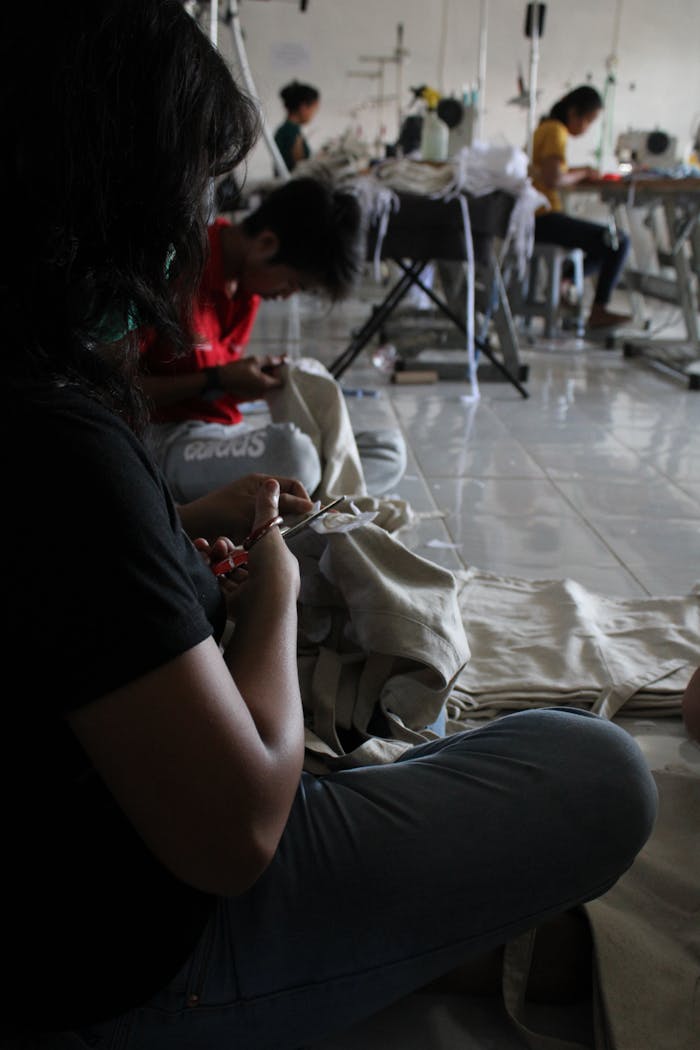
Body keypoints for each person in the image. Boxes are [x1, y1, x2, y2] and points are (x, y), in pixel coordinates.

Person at [1, 3, 658, 1049]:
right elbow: (241, 832)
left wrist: (172, 531)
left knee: (335, 462)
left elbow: (65, 593)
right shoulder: (59, 444)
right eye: (194, 190)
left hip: (95, 867)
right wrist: (275, 594)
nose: (194, 223)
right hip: (141, 956)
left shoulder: (32, 401)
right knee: (597, 771)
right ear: (112, 188)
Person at [138, 176, 407, 501]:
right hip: (165, 441)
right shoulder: (177, 270)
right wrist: (215, 379)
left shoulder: (246, 287)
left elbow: (215, 380)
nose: (286, 295)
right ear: (266, 244)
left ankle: (292, 496)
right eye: (292, 283)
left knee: (389, 450)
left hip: (223, 434)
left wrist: (250, 380)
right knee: (295, 457)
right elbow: (117, 390)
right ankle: (302, 496)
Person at [531, 85, 632, 330]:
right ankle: (598, 309)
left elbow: (552, 171)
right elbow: (554, 178)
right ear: (573, 112)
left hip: (537, 216)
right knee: (617, 242)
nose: (587, 128)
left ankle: (564, 278)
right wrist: (585, 173)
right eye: (588, 120)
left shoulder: (545, 128)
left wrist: (581, 171)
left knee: (604, 245)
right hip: (543, 218)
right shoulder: (555, 131)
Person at [274, 79, 320, 174]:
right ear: (303, 108)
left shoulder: (286, 130)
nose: (314, 114)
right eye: (314, 109)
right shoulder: (291, 132)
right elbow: (300, 168)